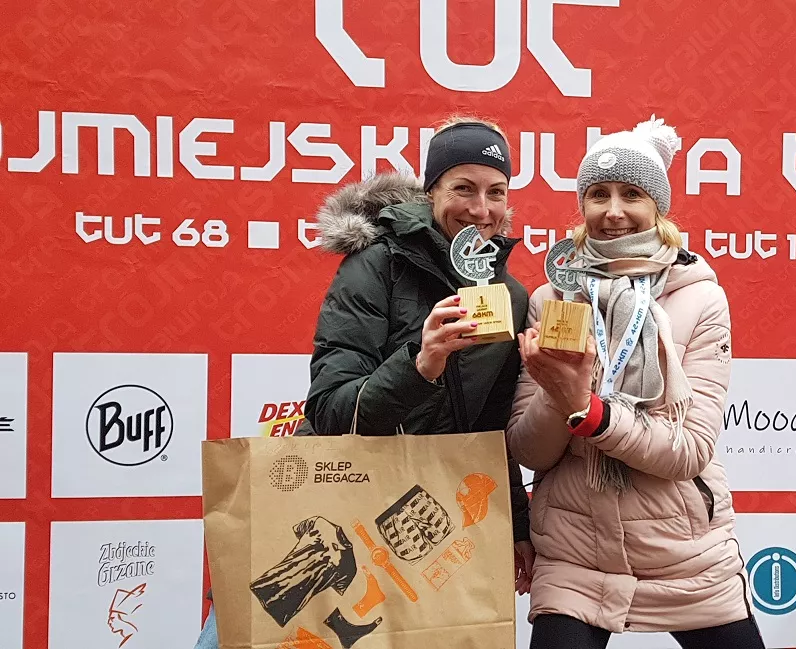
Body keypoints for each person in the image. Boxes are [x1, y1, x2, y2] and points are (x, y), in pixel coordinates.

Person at [192, 116, 534, 649]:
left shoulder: (509, 297)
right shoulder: (376, 265)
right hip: (327, 505)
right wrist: (420, 364)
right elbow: (331, 409)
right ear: (431, 191)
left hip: (420, 527)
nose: (480, 209)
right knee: (246, 636)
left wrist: (516, 527)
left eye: (496, 192)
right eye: (463, 188)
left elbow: (491, 432)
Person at [506, 116, 766, 649]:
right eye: (597, 194)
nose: (613, 211)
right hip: (573, 556)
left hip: (686, 554)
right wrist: (557, 393)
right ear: (581, 205)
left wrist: (588, 409)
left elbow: (688, 451)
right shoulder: (551, 299)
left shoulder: (700, 297)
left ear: (658, 207)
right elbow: (530, 451)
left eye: (632, 194)